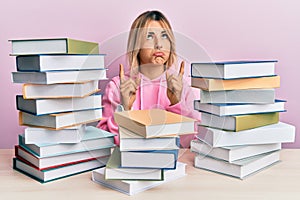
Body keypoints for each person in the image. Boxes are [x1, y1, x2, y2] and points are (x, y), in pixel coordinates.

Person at [97, 10, 200, 146]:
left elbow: (191, 142)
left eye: (164, 36)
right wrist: (124, 109)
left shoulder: (181, 86)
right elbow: (105, 142)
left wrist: (177, 104)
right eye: (149, 37)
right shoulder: (118, 86)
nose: (159, 44)